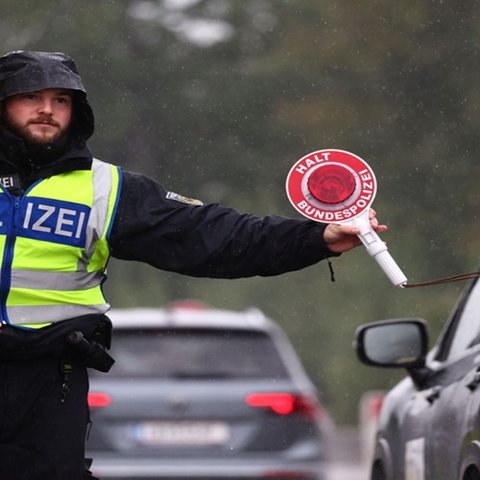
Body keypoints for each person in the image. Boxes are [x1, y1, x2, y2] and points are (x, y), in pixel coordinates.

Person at [0, 50, 387, 480]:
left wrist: (317, 237)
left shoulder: (105, 189)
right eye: (30, 96)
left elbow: (214, 236)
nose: (47, 110)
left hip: (52, 378)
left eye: (61, 100)